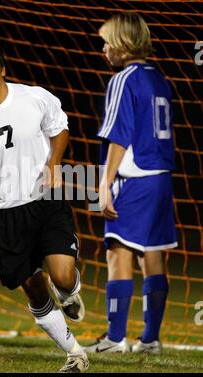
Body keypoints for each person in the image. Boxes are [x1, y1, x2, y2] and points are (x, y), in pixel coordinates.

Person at [0, 38, 89, 373]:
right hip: (4, 214)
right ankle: (75, 354)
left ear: (3, 68)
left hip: (45, 201)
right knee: (36, 291)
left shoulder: (34, 97)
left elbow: (60, 128)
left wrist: (54, 163)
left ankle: (70, 292)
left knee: (62, 277)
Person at [84, 13, 177, 355]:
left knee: (118, 250)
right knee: (152, 256)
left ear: (123, 44)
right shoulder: (160, 78)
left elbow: (119, 137)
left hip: (133, 177)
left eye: (108, 42)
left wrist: (104, 185)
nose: (104, 49)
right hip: (160, 177)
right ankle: (151, 339)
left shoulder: (124, 79)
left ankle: (114, 338)